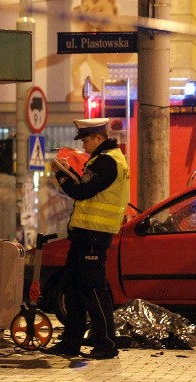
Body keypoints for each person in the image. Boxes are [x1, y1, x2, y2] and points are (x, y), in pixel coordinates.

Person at [42, 118, 130, 359]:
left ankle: (107, 344)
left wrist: (61, 176)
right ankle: (71, 343)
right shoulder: (105, 160)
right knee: (73, 288)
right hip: (85, 234)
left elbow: (82, 191)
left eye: (86, 140)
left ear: (99, 138)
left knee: (92, 289)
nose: (85, 145)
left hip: (94, 235)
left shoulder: (107, 162)